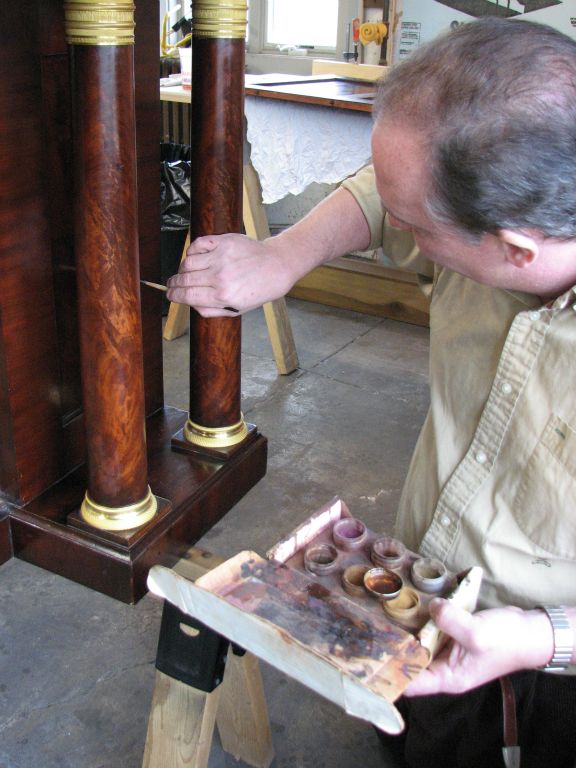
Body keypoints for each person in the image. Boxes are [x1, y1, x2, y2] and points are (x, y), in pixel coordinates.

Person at [167, 18, 576, 767]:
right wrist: (283, 254)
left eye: (419, 230)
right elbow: (382, 194)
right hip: (431, 608)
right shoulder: (510, 207)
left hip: (549, 666)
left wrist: (541, 637)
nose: (402, 237)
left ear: (514, 248)